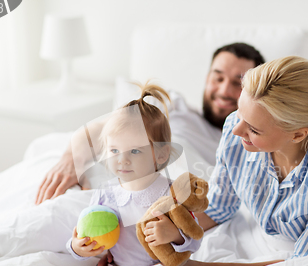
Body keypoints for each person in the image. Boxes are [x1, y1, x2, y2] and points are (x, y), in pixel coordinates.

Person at [173, 56, 308, 266]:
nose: (236, 130)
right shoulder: (236, 128)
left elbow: (304, 265)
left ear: (298, 134)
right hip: (274, 242)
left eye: (253, 129)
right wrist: (173, 233)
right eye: (240, 113)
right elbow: (220, 207)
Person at [35, 43, 265, 204]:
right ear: (207, 79)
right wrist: (70, 162)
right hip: (99, 186)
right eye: (218, 78)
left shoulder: (247, 144)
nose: (224, 90)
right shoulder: (172, 103)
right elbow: (101, 128)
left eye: (238, 83)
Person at [68, 82, 201, 266]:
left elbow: (195, 241)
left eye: (135, 151)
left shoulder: (170, 195)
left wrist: (175, 236)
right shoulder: (106, 194)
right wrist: (77, 248)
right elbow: (88, 232)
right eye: (114, 150)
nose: (122, 160)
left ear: (161, 154)